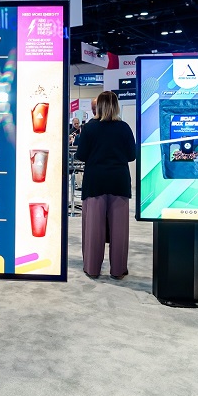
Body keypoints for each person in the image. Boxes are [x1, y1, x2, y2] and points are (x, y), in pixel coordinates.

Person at [75, 91, 136, 279]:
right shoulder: (124, 128)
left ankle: (92, 268)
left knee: (94, 227)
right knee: (119, 230)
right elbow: (131, 155)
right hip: (119, 180)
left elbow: (81, 155)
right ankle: (118, 270)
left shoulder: (90, 128)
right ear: (116, 106)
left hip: (95, 181)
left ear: (98, 106)